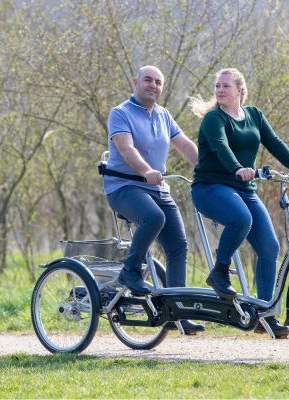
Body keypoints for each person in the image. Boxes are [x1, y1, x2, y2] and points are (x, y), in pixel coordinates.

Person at [189, 68, 289, 338]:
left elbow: (274, 142)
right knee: (241, 218)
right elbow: (221, 146)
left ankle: (264, 315)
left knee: (269, 246)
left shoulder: (254, 115)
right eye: (217, 86)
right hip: (210, 187)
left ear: (240, 90)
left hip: (244, 189)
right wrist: (238, 168)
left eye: (225, 86)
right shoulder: (213, 119)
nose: (219, 90)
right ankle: (220, 272)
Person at [104, 65, 204, 335]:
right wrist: (146, 170)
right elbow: (126, 148)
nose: (153, 85)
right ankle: (130, 270)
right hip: (124, 187)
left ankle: (177, 311)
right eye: (148, 80)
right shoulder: (120, 113)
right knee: (154, 217)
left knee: (178, 245)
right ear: (135, 82)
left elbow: (184, 145)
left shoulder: (164, 115)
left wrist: (207, 168)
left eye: (158, 82)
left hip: (157, 190)